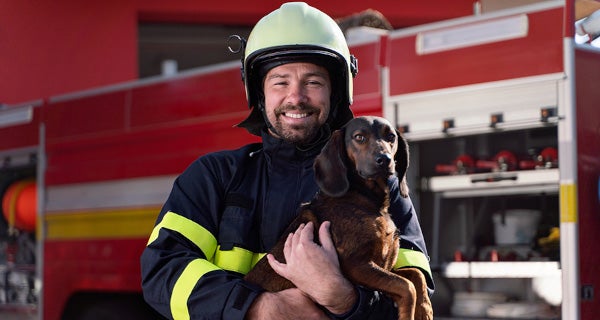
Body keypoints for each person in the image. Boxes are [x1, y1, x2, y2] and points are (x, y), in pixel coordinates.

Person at [140, 2, 434, 319]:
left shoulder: (380, 188)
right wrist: (259, 306)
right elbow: (162, 272)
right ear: (259, 92)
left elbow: (415, 302)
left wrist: (344, 299)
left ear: (335, 93)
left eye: (313, 82)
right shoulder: (214, 176)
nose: (296, 97)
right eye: (280, 82)